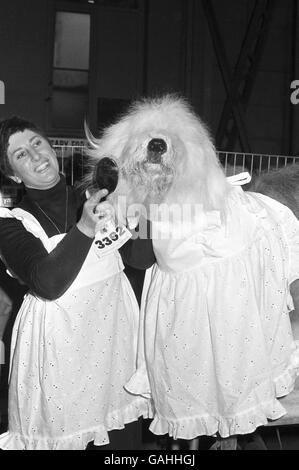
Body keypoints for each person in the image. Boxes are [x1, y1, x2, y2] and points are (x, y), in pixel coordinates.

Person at [0, 116, 151, 450]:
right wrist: (84, 226)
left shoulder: (97, 194)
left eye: (37, 143)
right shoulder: (10, 224)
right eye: (21, 155)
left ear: (51, 146)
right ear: (12, 174)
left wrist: (137, 201)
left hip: (114, 337)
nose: (36, 156)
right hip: (60, 350)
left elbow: (142, 258)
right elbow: (48, 282)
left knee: (121, 442)